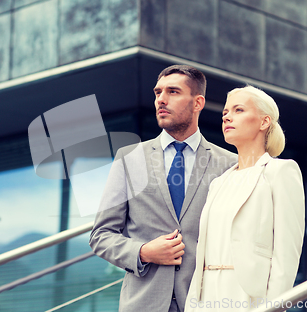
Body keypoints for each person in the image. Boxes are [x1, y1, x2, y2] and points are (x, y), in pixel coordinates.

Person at [89, 65, 237, 312]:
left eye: (173, 92)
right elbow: (101, 235)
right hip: (143, 303)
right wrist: (144, 251)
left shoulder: (230, 164)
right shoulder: (129, 159)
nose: (161, 100)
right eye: (158, 92)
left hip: (207, 302)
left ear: (198, 102)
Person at [185, 86, 305, 311]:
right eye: (225, 113)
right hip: (207, 297)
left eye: (238, 110)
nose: (227, 117)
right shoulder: (219, 183)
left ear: (264, 122)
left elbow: (286, 253)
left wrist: (274, 306)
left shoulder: (280, 172)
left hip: (249, 297)